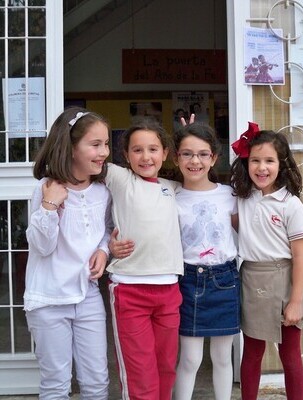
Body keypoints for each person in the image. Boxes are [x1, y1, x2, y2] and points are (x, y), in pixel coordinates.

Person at [24, 107, 112, 399]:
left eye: (106, 144)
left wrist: (103, 250)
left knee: (97, 382)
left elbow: (105, 231)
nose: (104, 152)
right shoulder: (47, 188)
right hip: (49, 300)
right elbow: (41, 246)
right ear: (72, 147)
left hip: (87, 296)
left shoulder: (102, 191)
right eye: (95, 144)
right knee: (56, 384)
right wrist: (50, 206)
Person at [105, 116, 184, 400]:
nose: (146, 156)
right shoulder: (120, 178)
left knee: (166, 369)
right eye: (137, 150)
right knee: (140, 374)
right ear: (125, 155)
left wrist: (186, 137)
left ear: (165, 154)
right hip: (129, 289)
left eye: (153, 149)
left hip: (169, 290)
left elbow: (198, 169)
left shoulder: (174, 188)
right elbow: (83, 154)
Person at [230, 122, 303, 400]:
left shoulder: (291, 204)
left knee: (289, 354)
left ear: (281, 164)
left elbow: (300, 256)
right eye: (255, 160)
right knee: (252, 351)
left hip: (284, 279)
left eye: (269, 160)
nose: (261, 168)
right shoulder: (240, 198)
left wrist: (296, 301)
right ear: (246, 162)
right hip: (251, 278)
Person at [172, 123, 240, 400]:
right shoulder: (170, 195)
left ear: (214, 158)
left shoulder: (229, 194)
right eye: (187, 154)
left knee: (223, 357)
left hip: (225, 281)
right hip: (188, 281)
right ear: (175, 157)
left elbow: (246, 229)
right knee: (190, 359)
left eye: (203, 154)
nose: (195, 161)